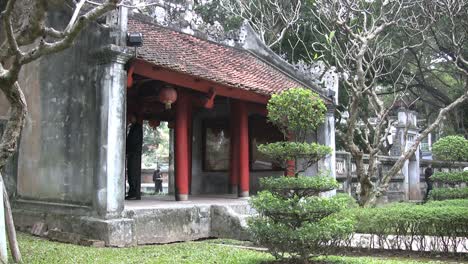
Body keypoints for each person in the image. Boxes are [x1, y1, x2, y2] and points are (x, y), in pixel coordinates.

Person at [126, 113, 143, 200]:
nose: (130, 119)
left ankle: (134, 193)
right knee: (130, 173)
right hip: (132, 153)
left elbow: (133, 141)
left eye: (131, 117)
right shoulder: (133, 127)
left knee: (133, 173)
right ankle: (132, 192)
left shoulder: (136, 128)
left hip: (134, 153)